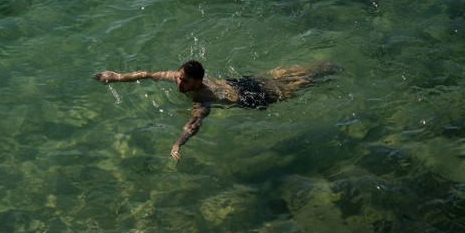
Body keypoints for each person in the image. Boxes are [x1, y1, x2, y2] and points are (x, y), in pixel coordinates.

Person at [92, 60, 339, 162]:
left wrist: (178, 144)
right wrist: (115, 77)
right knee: (280, 74)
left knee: (300, 82)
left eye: (185, 82)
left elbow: (194, 123)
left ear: (198, 83)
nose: (179, 83)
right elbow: (145, 74)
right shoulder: (179, 78)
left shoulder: (202, 97)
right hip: (240, 82)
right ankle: (324, 65)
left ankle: (329, 68)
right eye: (179, 78)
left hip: (252, 96)